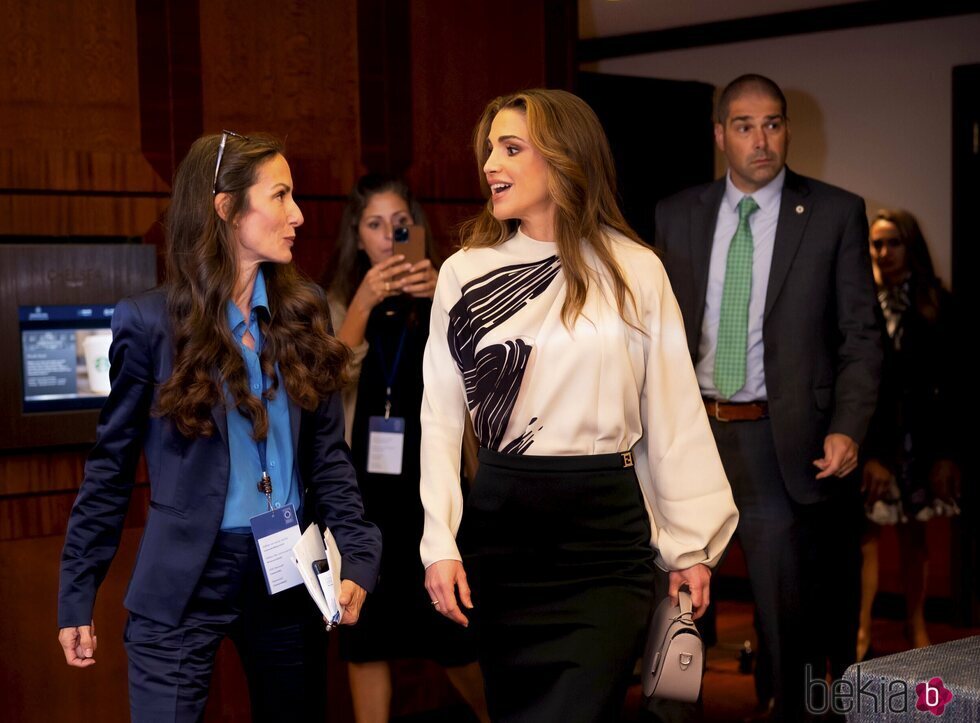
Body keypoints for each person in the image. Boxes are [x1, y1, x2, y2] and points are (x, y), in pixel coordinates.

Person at [420, 88, 739, 722]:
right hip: (504, 533)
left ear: (564, 159)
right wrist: (439, 541)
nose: (491, 164)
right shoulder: (465, 271)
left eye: (511, 148)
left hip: (605, 539)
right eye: (489, 149)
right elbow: (441, 418)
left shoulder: (635, 269)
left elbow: (671, 415)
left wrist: (688, 547)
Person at [57, 131, 382, 721]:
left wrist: (357, 549)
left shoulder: (303, 307)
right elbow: (109, 469)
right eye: (280, 196)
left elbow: (327, 454)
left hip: (286, 572)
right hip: (185, 578)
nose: (298, 215)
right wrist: (78, 593)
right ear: (226, 208)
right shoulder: (150, 322)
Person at [654, 74, 881, 720]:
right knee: (677, 597)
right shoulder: (677, 214)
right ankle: (672, 711)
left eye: (774, 123)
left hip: (777, 441)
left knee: (787, 613)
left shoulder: (834, 212)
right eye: (746, 125)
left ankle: (793, 706)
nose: (763, 139)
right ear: (720, 134)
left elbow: (861, 335)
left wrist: (848, 425)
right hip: (691, 434)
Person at [323, 174, 489, 723]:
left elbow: (488, 372)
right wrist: (365, 303)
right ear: (358, 235)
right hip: (362, 501)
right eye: (375, 224)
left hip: (432, 497)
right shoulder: (337, 301)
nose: (388, 236)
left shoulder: (448, 293)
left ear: (415, 229)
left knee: (454, 633)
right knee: (363, 636)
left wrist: (447, 294)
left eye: (400, 224)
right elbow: (323, 381)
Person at [857, 209, 961, 660]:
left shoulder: (937, 303)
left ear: (909, 246)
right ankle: (859, 635)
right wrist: (869, 454)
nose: (883, 253)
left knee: (916, 538)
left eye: (892, 242)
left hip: (921, 441)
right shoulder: (858, 302)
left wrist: (947, 454)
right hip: (873, 442)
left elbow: (955, 386)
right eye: (877, 243)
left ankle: (915, 625)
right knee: (865, 538)